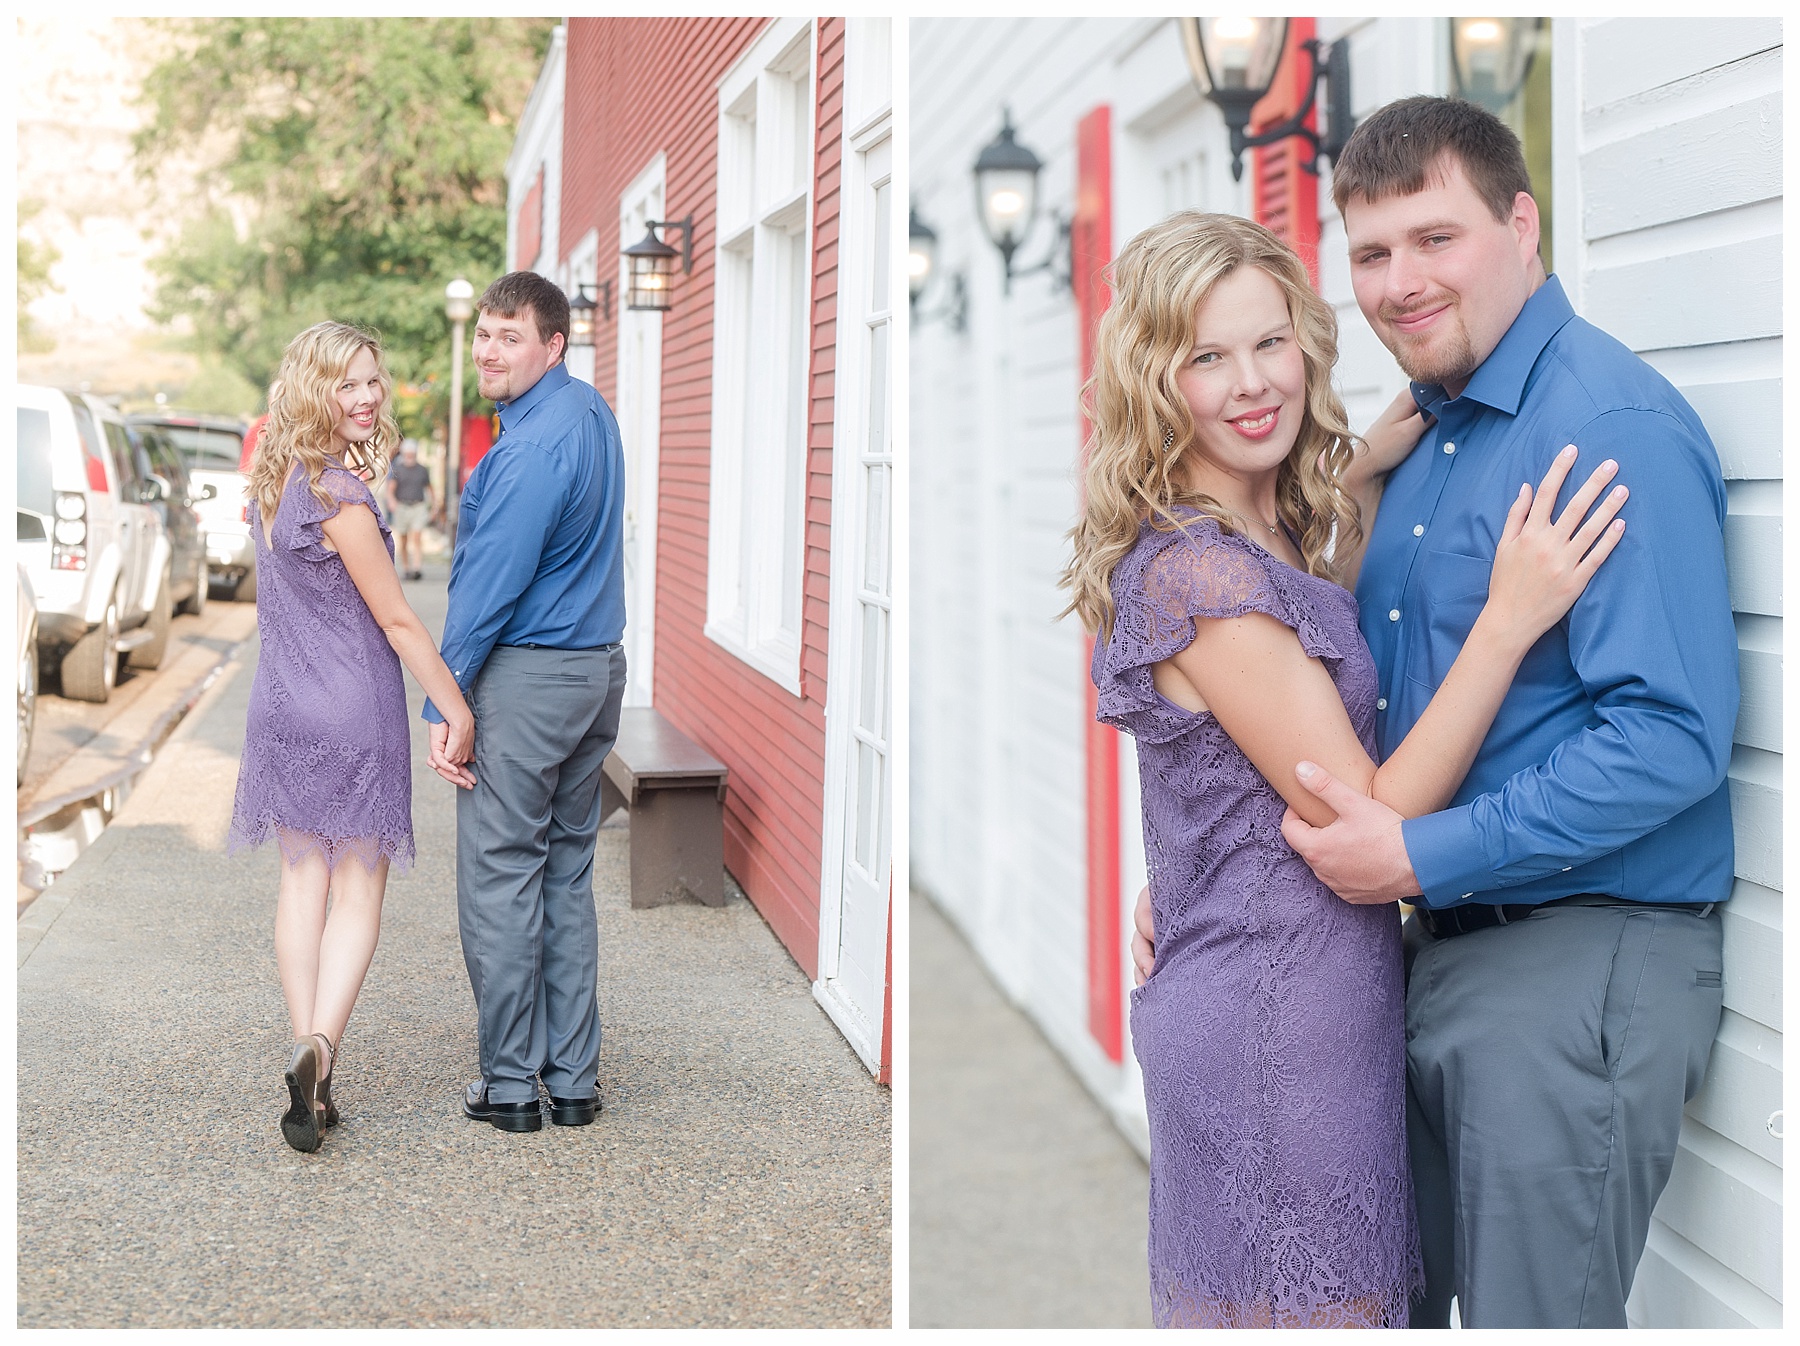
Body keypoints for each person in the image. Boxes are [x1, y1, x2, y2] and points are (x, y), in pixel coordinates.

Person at [1136, 97, 1738, 1329]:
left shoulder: (1598, 431)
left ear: (1523, 224)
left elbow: (1672, 734)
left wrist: (1419, 850)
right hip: (1427, 956)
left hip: (1574, 956)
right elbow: (1330, 681)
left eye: (1436, 239)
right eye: (1372, 253)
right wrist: (1219, 848)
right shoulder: (1431, 432)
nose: (1402, 282)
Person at [1065, 209, 1628, 1329]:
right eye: (1206, 358)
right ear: (1151, 378)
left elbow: (1247, 737)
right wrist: (1508, 621)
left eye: (1271, 342)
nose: (1250, 383)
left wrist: (1375, 450)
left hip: (1305, 990)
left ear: (1308, 342)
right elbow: (1365, 810)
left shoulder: (1268, 527)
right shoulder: (1201, 576)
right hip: (1273, 1025)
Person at [227, 322, 476, 1155]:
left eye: (374, 380)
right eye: (348, 384)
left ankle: (310, 1066)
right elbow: (399, 621)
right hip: (350, 711)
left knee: (302, 885)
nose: (367, 397)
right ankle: (323, 1049)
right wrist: (455, 707)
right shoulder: (341, 494)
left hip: (281, 710)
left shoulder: (274, 484)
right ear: (313, 392)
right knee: (357, 890)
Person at [421, 271, 627, 1135]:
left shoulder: (529, 449)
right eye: (485, 336)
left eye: (510, 337)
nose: (489, 352)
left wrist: (444, 705)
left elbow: (485, 590)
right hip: (595, 673)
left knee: (502, 877)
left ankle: (511, 1087)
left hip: (530, 678)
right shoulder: (591, 416)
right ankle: (572, 1080)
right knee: (565, 874)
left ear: (554, 345)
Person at [385, 438, 438, 581]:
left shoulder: (422, 469)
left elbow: (429, 488)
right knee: (403, 539)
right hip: (402, 506)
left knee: (417, 536)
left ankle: (416, 568)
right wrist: (391, 502)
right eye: (408, 454)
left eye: (412, 454)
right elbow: (390, 489)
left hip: (418, 506)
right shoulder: (397, 469)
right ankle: (407, 568)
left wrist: (434, 506)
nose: (410, 457)